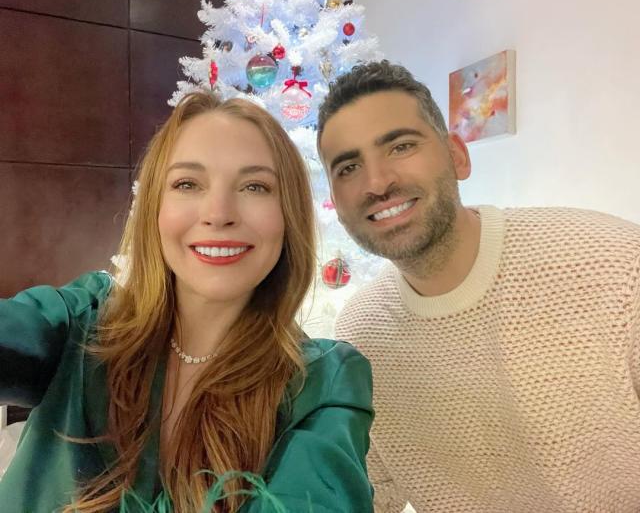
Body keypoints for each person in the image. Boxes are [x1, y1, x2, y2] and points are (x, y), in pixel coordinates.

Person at [0, 92, 374, 513]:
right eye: (187, 184)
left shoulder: (324, 382)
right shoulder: (82, 322)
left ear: (289, 215)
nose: (218, 213)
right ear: (155, 208)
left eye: (255, 186)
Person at [316, 60, 640, 512]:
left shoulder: (616, 266)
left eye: (401, 146)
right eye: (348, 167)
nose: (377, 182)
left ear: (457, 155)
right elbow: (373, 494)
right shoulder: (362, 332)